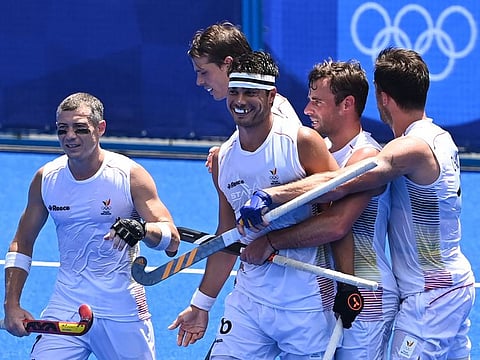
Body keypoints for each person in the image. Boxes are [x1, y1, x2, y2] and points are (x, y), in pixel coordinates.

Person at [238, 47, 475, 360]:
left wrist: (272, 197)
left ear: (382, 98)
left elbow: (341, 185)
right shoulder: (436, 137)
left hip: (427, 293)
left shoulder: (409, 148)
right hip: (433, 287)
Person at [169, 51, 362, 359]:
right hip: (249, 301)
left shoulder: (301, 143)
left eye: (250, 93)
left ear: (271, 96)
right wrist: (201, 305)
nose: (240, 101)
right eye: (234, 92)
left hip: (306, 303)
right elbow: (227, 236)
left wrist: (346, 284)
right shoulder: (222, 160)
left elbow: (337, 216)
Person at [241, 59, 400, 359]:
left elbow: (337, 223)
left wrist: (270, 242)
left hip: (364, 290)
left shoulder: (365, 154)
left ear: (347, 104)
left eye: (317, 102)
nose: (307, 110)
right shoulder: (320, 151)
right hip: (332, 290)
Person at [3, 92, 180, 360]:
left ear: (101, 128)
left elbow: (172, 241)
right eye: (63, 129)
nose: (70, 136)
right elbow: (22, 242)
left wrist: (143, 230)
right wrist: (11, 305)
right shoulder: (46, 179)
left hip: (122, 308)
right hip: (67, 302)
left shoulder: (129, 175)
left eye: (80, 129)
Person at [188, 21, 301, 173]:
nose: (199, 82)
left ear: (227, 64)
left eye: (203, 72)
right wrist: (228, 153)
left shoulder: (277, 116)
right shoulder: (250, 117)